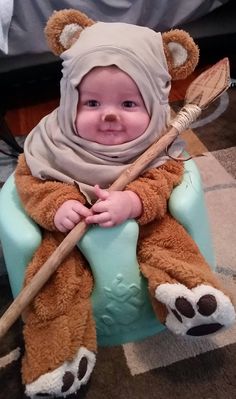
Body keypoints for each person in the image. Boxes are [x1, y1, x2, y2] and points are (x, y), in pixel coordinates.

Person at [14, 11, 235, 398]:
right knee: (52, 280)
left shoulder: (157, 145)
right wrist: (59, 205)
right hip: (68, 231)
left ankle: (191, 298)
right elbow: (28, 182)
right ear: (69, 100)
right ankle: (58, 358)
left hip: (143, 221)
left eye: (130, 103)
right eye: (93, 101)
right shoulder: (50, 144)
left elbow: (167, 179)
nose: (110, 113)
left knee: (170, 239)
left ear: (154, 104)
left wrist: (134, 200)